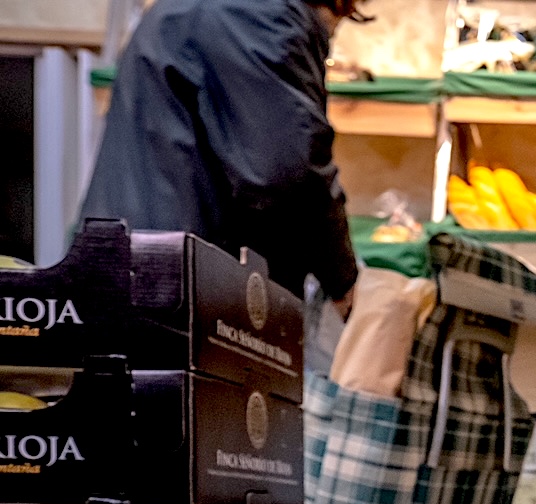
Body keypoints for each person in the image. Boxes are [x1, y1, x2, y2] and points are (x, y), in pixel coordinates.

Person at [81, 0, 363, 318]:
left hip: (134, 263)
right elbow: (289, 172)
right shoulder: (260, 15)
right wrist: (343, 280)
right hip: (181, 286)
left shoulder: (191, 7)